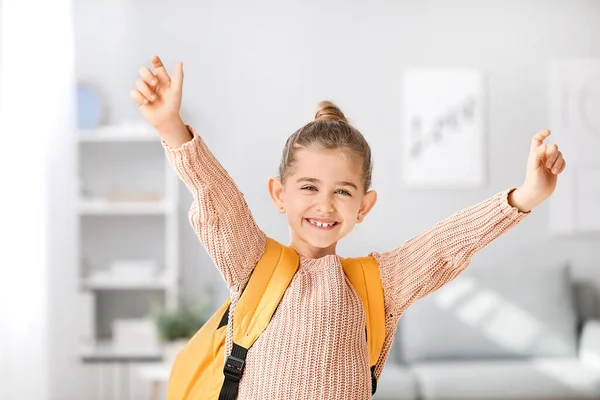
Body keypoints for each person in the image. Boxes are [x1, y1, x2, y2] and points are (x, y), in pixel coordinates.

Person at [130, 55, 566, 399]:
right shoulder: (254, 265)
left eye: (342, 191)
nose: (325, 204)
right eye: (308, 187)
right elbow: (218, 202)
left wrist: (525, 196)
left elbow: (444, 246)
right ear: (279, 195)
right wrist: (171, 127)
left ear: (364, 206)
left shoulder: (378, 283)